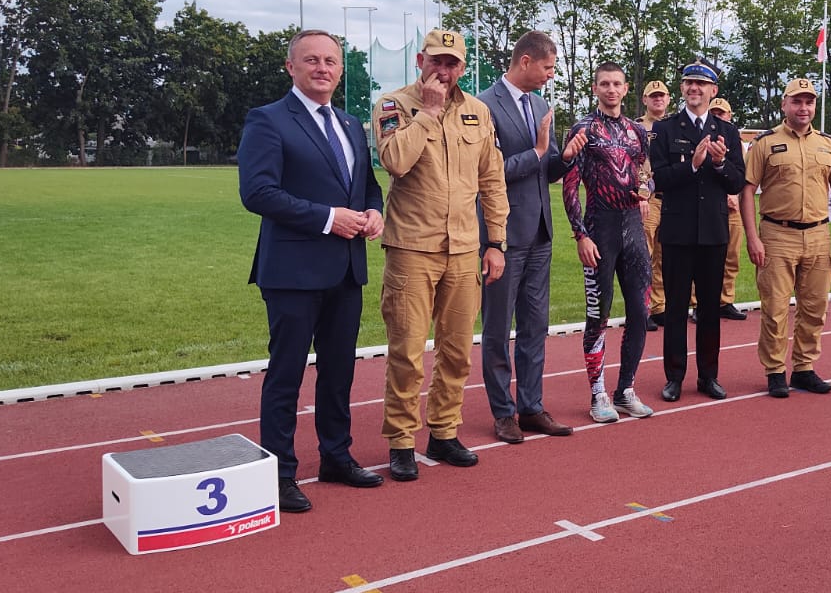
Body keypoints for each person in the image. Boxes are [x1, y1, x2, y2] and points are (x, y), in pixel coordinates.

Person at [237, 29, 385, 513]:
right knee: (286, 376)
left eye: (331, 61)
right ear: (291, 67)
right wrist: (328, 218)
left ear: (340, 70)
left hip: (346, 269)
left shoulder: (350, 123)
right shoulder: (267, 119)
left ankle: (336, 457)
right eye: (312, 60)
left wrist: (374, 210)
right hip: (293, 271)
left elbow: (366, 185)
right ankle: (280, 474)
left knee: (339, 373)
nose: (323, 68)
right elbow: (257, 192)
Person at [373, 30, 509, 480]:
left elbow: (492, 180)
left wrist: (496, 242)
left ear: (463, 68)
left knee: (456, 351)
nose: (444, 70)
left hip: (465, 248)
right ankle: (401, 440)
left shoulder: (478, 112)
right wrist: (428, 113)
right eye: (436, 61)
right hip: (412, 248)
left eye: (452, 63)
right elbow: (395, 160)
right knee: (407, 352)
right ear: (420, 60)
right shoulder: (393, 105)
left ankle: (444, 431)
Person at [476, 31, 581, 445]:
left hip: (540, 232)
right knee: (498, 328)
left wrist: (563, 157)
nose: (551, 75)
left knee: (536, 326)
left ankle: (531, 406)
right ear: (525, 61)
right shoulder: (483, 106)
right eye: (548, 67)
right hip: (502, 236)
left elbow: (546, 169)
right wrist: (538, 151)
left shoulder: (540, 105)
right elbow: (489, 172)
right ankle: (503, 413)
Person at [741, 78, 831, 397]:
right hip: (777, 235)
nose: (803, 108)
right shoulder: (764, 143)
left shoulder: (829, 145)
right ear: (784, 105)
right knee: (775, 309)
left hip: (818, 235)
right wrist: (752, 237)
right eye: (796, 101)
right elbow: (747, 191)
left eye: (809, 102)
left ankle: (804, 368)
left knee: (815, 308)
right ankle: (775, 370)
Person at [563, 62, 655, 422]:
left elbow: (646, 173)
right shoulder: (583, 129)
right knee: (598, 316)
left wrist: (646, 189)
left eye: (617, 83)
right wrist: (580, 234)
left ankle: (625, 389)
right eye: (605, 84)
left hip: (632, 228)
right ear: (595, 88)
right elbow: (571, 186)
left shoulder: (637, 131)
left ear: (626, 88)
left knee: (640, 312)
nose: (611, 89)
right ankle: (598, 393)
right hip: (599, 229)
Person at [650, 57, 745, 402]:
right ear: (682, 89)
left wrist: (719, 163)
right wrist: (692, 165)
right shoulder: (665, 129)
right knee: (675, 309)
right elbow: (659, 179)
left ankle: (708, 376)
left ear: (713, 90)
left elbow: (737, 181)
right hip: (678, 232)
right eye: (689, 83)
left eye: (701, 84)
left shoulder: (727, 132)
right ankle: (674, 376)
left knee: (709, 310)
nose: (694, 88)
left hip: (713, 233)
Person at [688, 97, 749, 323]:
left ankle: (725, 300)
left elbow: (741, 174)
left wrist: (734, 195)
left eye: (722, 113)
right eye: (714, 113)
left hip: (733, 207)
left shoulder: (734, 139)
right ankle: (698, 303)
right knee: (702, 259)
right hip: (710, 207)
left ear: (729, 116)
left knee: (731, 257)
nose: (718, 116)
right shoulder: (700, 138)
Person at [638, 80, 671, 332]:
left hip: (670, 198)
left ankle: (659, 307)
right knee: (644, 256)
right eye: (653, 96)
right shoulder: (637, 128)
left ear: (668, 99)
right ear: (645, 100)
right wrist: (640, 194)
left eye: (662, 96)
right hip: (648, 200)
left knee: (663, 257)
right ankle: (642, 309)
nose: (658, 99)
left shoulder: (674, 126)